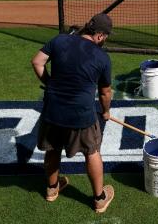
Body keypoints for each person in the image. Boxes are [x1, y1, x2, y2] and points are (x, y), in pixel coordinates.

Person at [31, 13, 115, 213]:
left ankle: (52, 189)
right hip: (81, 115)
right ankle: (99, 198)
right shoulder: (102, 57)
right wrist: (106, 112)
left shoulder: (60, 40)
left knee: (53, 148)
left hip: (53, 109)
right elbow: (105, 92)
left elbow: (37, 62)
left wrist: (50, 83)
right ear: (100, 36)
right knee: (92, 151)